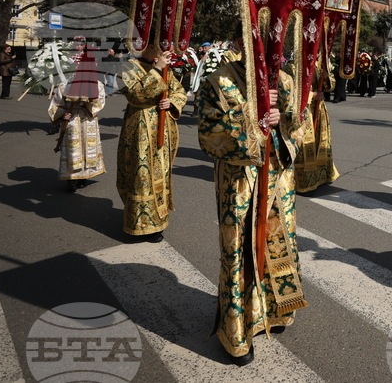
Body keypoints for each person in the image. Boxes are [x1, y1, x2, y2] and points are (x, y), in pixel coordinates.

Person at [197, 29, 307, 366]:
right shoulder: (219, 81)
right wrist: (253, 121)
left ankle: (274, 312)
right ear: (241, 45)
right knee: (240, 249)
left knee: (278, 243)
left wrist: (284, 121)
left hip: (278, 182)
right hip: (240, 182)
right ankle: (238, 331)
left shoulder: (287, 82)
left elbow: (303, 126)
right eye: (255, 46)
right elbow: (208, 133)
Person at [116, 44, 187, 241]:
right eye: (156, 47)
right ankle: (138, 223)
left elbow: (179, 91)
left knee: (160, 175)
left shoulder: (165, 68)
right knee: (141, 176)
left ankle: (157, 222)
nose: (160, 51)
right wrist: (157, 70)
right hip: (140, 129)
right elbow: (136, 95)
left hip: (162, 130)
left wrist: (171, 102)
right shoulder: (126, 67)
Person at [49, 51, 106, 192]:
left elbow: (100, 104)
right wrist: (62, 115)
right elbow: (55, 105)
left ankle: (83, 177)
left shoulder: (98, 86)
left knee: (88, 150)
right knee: (73, 151)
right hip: (72, 122)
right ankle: (71, 180)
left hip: (89, 122)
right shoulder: (64, 85)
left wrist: (86, 103)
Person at [295, 58, 340, 192]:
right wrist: (312, 95)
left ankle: (322, 176)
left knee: (321, 143)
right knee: (305, 147)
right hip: (304, 111)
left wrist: (326, 74)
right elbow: (291, 92)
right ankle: (305, 180)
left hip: (319, 110)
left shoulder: (318, 66)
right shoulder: (294, 67)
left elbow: (330, 87)